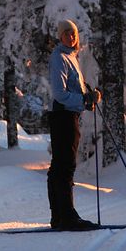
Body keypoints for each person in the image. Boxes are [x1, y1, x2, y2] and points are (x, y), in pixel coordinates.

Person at [46, 19, 102, 230]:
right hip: (63, 117)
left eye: (74, 33)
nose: (71, 36)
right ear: (60, 36)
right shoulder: (60, 57)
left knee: (59, 166)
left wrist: (86, 98)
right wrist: (84, 100)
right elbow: (60, 94)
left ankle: (59, 217)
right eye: (67, 33)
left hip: (66, 115)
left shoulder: (70, 57)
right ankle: (67, 217)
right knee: (65, 166)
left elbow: (71, 90)